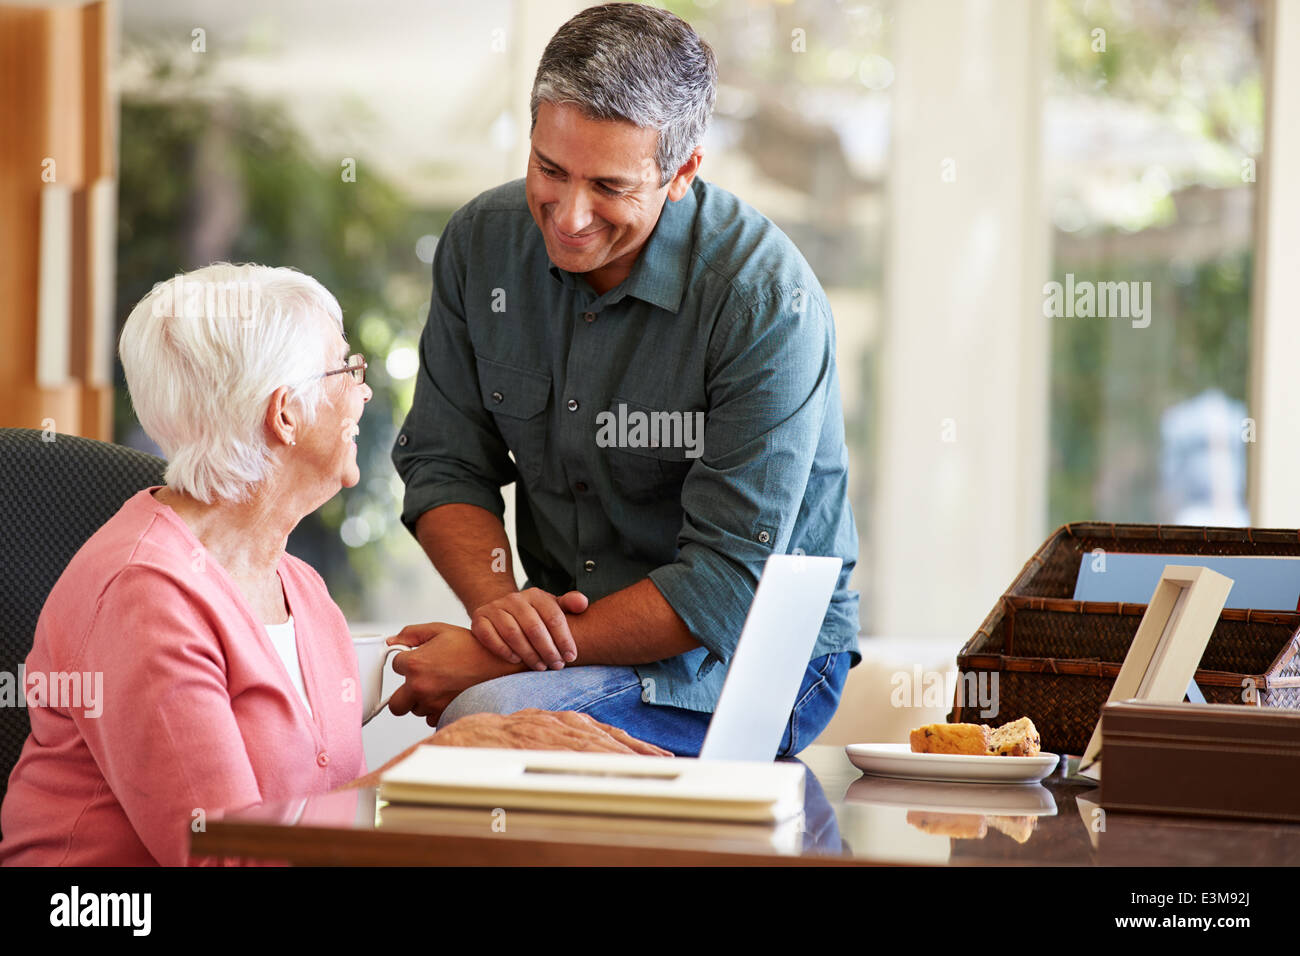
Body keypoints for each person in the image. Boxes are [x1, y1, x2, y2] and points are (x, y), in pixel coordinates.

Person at [0, 263, 665, 867]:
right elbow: (229, 857)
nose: (363, 394)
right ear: (284, 414)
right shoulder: (144, 596)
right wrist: (451, 764)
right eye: (345, 370)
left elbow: (323, 788)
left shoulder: (298, 587)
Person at [387, 3, 861, 756]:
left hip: (750, 659)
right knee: (480, 714)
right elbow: (444, 463)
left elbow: (725, 581)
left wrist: (496, 654)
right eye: (549, 169)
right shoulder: (481, 244)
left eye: (609, 185)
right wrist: (505, 612)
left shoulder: (766, 302)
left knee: (491, 720)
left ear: (683, 173)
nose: (569, 215)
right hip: (572, 635)